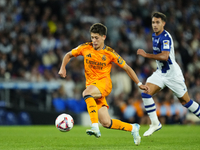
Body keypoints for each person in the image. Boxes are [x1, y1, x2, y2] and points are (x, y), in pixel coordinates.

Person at [58, 23, 149, 145]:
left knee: (86, 93)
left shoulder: (110, 53)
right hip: (93, 87)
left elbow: (127, 68)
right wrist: (63, 68)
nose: (94, 40)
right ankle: (133, 128)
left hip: (104, 84)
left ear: (103, 37)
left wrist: (139, 84)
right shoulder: (85, 48)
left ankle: (95, 127)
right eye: (92, 37)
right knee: (106, 123)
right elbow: (68, 54)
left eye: (96, 37)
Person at [137, 12, 200, 137]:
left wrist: (147, 55)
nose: (155, 25)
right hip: (161, 73)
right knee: (145, 92)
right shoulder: (154, 35)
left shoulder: (165, 37)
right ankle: (155, 123)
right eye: (153, 22)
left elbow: (165, 56)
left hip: (173, 74)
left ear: (163, 23)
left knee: (185, 102)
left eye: (158, 22)